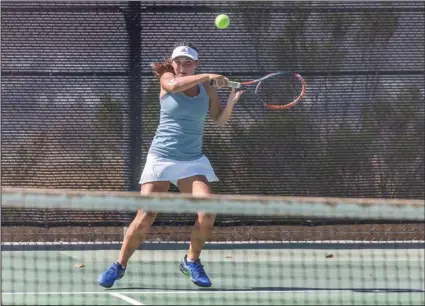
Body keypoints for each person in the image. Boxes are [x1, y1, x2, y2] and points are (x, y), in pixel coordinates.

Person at [97, 42, 244, 288]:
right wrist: (207, 75)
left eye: (188, 63)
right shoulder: (168, 79)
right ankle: (119, 265)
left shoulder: (207, 88)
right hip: (162, 157)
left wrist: (231, 101)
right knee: (146, 216)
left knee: (208, 211)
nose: (183, 67)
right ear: (173, 64)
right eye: (179, 62)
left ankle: (191, 261)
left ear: (195, 64)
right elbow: (174, 85)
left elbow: (218, 119)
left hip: (192, 160)